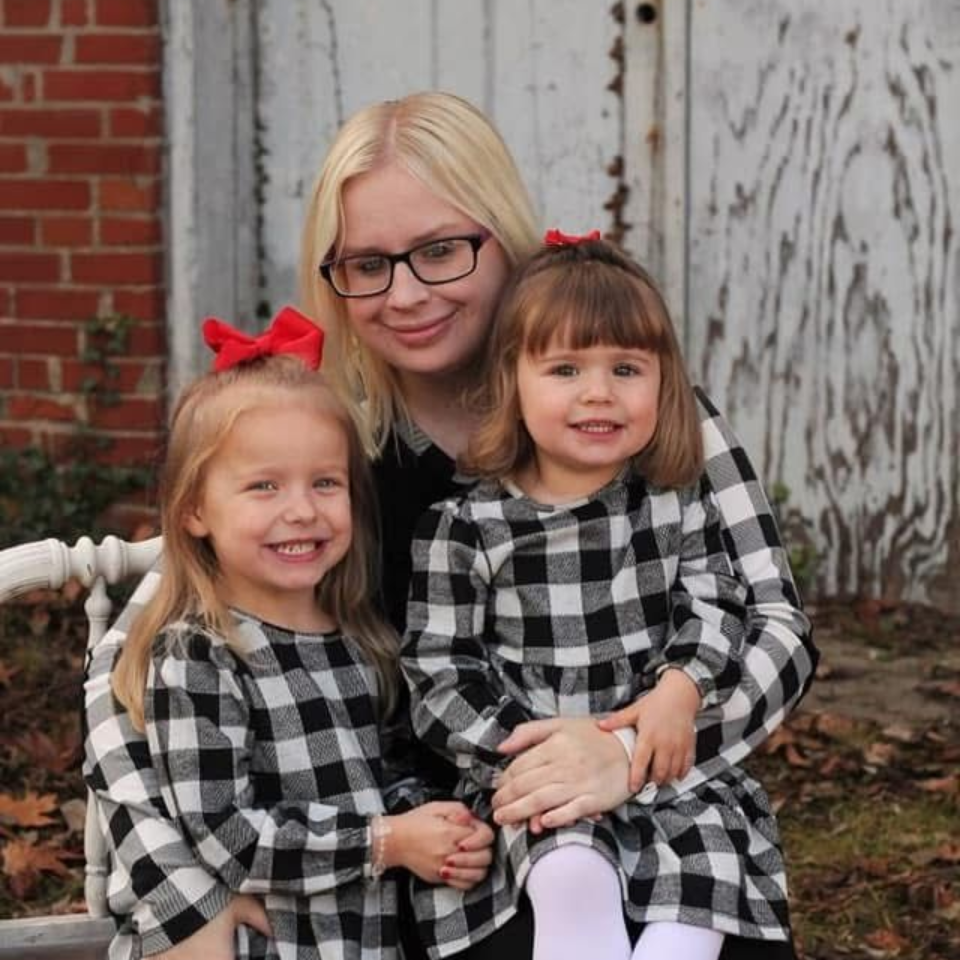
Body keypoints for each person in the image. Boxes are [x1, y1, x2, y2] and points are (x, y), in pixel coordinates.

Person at [84, 91, 816, 960]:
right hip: (456, 844)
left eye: (440, 251)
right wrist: (180, 897)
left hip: (668, 795)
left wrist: (633, 754)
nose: (406, 294)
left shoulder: (635, 412)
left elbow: (778, 625)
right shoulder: (331, 444)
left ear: (503, 237)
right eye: (367, 265)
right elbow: (127, 673)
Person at [403, 233, 793, 960]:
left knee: (696, 898)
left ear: (663, 384)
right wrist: (524, 755)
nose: (598, 393)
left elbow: (720, 606)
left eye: (626, 368)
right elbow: (440, 670)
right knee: (570, 872)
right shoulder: (468, 526)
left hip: (672, 779)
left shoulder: (673, 502)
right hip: (539, 777)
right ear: (511, 383)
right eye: (564, 369)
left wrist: (683, 687)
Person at [106, 307, 494, 960]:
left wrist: (436, 823)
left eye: (325, 483)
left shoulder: (359, 638)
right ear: (194, 509)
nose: (301, 511)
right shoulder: (200, 652)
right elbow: (226, 835)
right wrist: (387, 841)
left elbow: (385, 772)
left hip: (361, 942)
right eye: (263, 486)